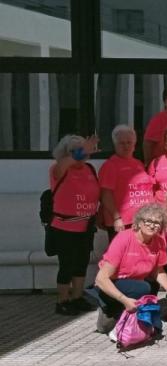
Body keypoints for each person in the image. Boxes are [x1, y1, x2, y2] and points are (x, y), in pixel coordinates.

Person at [86, 203, 167, 329]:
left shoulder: (159, 242)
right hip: (112, 282)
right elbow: (101, 278)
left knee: (153, 289)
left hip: (135, 281)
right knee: (143, 288)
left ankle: (126, 314)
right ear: (139, 222)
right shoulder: (124, 238)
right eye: (148, 221)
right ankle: (109, 305)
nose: (152, 225)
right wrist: (124, 300)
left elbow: (158, 271)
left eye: (157, 223)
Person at [48, 134, 101, 315]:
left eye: (84, 151)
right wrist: (83, 150)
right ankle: (62, 300)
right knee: (66, 265)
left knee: (81, 263)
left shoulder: (89, 169)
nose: (81, 155)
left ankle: (77, 297)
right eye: (75, 151)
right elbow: (66, 164)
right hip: (64, 227)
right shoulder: (59, 168)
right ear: (65, 153)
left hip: (85, 227)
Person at [99, 125, 153, 235]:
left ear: (134, 144)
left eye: (129, 142)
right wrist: (117, 218)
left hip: (141, 220)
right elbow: (106, 195)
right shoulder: (110, 165)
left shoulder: (138, 163)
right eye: (121, 143)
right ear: (115, 145)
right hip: (123, 222)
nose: (126, 146)